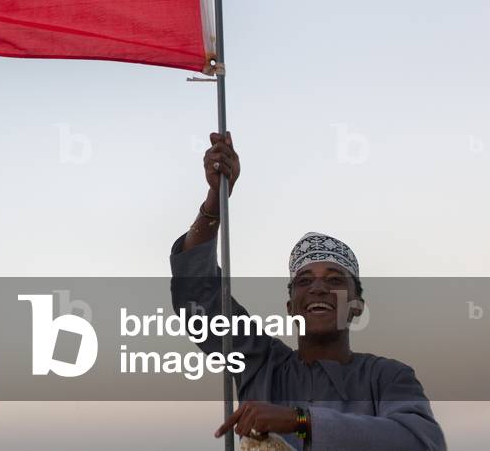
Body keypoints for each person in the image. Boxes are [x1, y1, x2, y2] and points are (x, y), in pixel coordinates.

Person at [170, 132, 446, 450]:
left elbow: (422, 442)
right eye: (304, 281)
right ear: (291, 306)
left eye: (334, 280)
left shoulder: (386, 377)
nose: (318, 288)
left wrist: (300, 421)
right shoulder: (261, 365)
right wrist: (214, 205)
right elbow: (197, 298)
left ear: (356, 305)